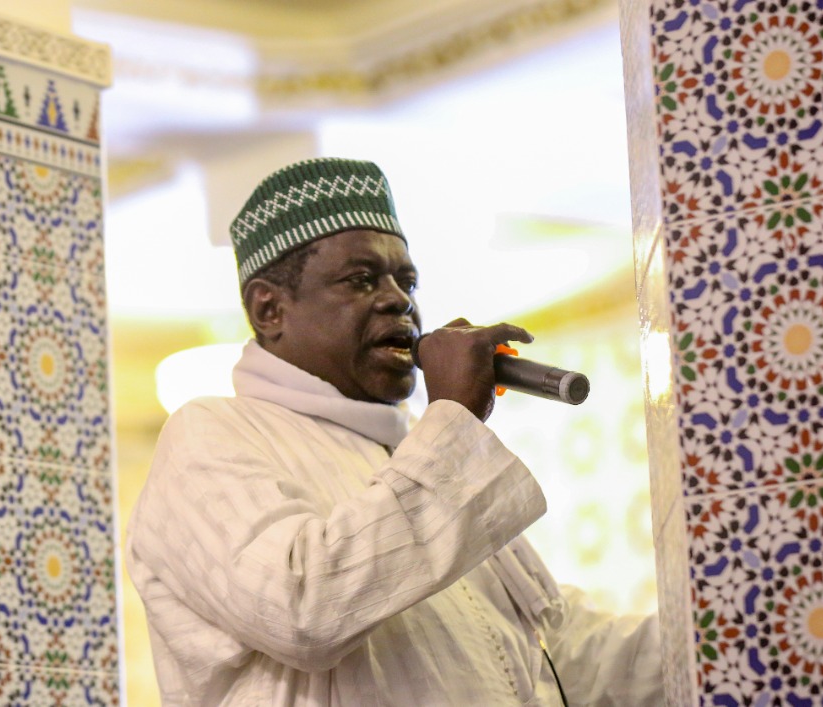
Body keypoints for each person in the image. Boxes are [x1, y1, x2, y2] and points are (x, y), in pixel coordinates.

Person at [126, 158, 664, 706]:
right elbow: (303, 608)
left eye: (407, 280)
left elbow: (555, 653)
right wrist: (453, 415)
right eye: (360, 280)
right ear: (270, 309)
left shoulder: (415, 452)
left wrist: (726, 624)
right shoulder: (212, 433)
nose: (399, 300)